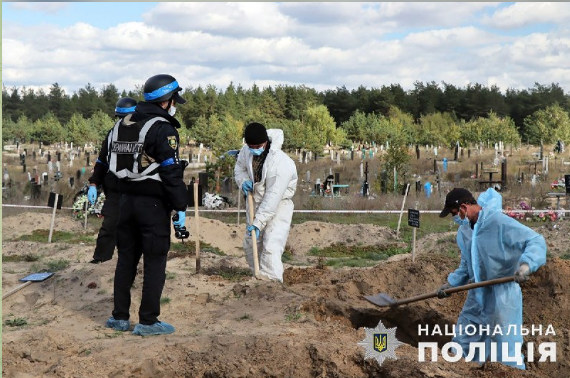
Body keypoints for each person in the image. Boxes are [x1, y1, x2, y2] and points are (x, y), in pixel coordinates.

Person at [103, 74, 189, 336]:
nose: (175, 105)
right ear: (167, 101)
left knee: (126, 260)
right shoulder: (162, 128)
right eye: (174, 100)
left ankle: (119, 318)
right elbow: (171, 173)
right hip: (151, 205)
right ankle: (148, 321)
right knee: (154, 261)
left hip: (123, 202)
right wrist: (180, 207)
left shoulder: (120, 125)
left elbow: (106, 162)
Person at [437, 188, 547, 369]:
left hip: (502, 296)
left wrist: (526, 265)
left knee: (504, 348)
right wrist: (450, 285)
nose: (455, 217)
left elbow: (535, 240)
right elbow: (467, 265)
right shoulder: (464, 232)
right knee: (463, 341)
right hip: (476, 294)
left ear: (464, 207)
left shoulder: (498, 222)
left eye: (455, 213)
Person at [234, 122, 298, 282]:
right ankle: (257, 278)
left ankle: (272, 284)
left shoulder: (281, 163)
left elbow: (273, 197)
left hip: (278, 206)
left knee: (271, 244)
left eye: (256, 146)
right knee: (251, 245)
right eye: (250, 146)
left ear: (265, 143)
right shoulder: (246, 151)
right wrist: (242, 182)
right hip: (254, 201)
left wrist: (258, 222)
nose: (253, 149)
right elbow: (239, 168)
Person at [87, 97, 138, 264]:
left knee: (136, 230)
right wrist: (94, 184)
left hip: (137, 189)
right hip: (115, 189)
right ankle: (101, 258)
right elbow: (102, 160)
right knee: (109, 227)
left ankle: (133, 262)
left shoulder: (143, 134)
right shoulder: (112, 134)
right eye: (120, 117)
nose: (123, 121)